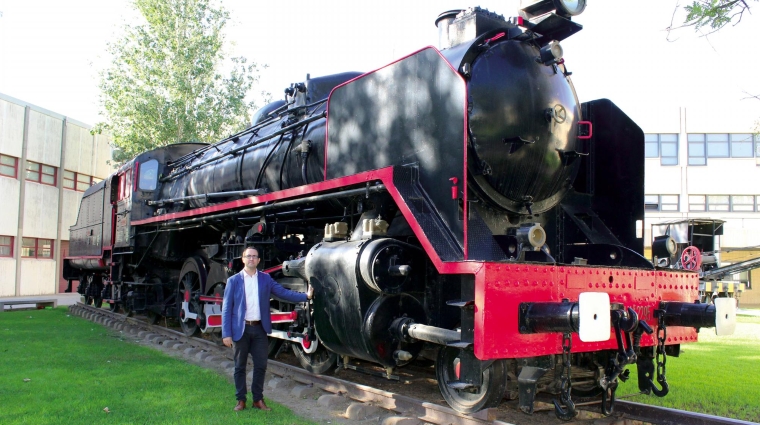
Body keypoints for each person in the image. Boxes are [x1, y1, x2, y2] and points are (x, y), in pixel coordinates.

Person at [222, 246, 313, 411]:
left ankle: (258, 400)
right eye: (248, 256)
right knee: (239, 366)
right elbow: (227, 309)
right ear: (243, 259)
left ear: (258, 260)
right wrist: (226, 333)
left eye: (254, 256)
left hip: (259, 329)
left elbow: (283, 293)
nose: (251, 259)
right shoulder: (233, 281)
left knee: (261, 365)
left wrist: (305, 296)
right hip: (240, 329)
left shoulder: (265, 279)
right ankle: (240, 400)